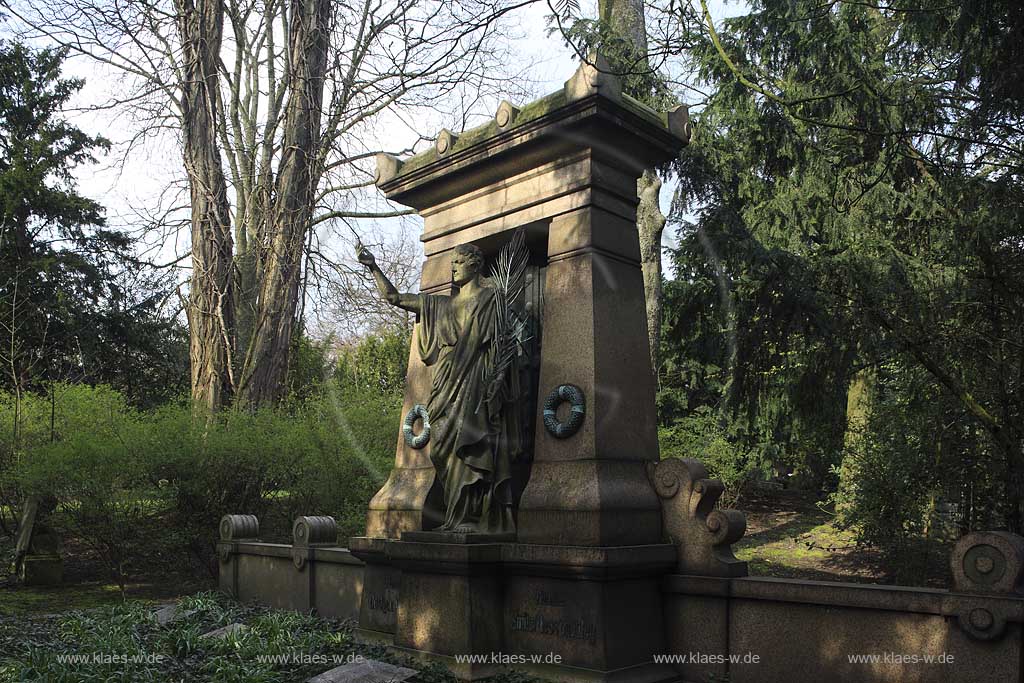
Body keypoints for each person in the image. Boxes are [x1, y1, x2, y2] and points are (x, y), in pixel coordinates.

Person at [357, 242, 521, 534]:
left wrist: (497, 381)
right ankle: (454, 516)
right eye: (452, 262)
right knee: (443, 450)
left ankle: (470, 517)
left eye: (459, 261)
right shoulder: (440, 305)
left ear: (475, 265)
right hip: (444, 386)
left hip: (474, 383)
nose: (453, 267)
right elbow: (394, 297)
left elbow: (500, 343)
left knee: (470, 444)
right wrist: (373, 267)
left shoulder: (489, 299)